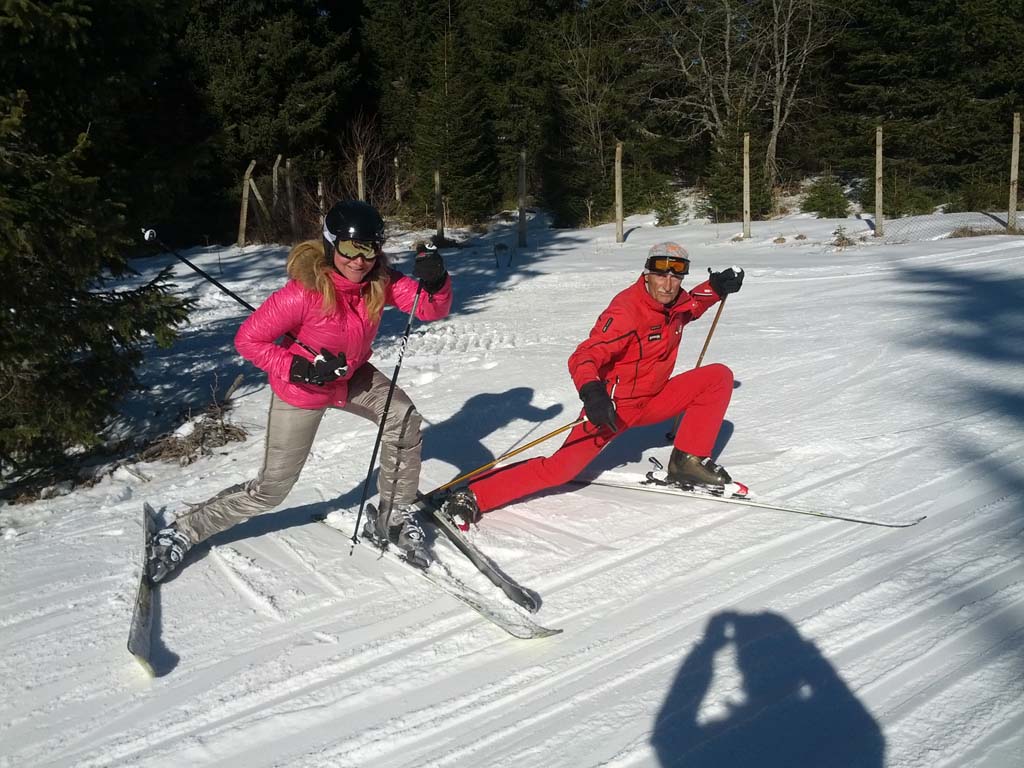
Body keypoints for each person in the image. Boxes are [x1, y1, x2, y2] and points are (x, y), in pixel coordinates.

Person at [147, 200, 452, 581]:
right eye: (349, 249)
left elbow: (428, 309)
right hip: (301, 391)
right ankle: (185, 529)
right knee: (271, 489)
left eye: (369, 249)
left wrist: (436, 281)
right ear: (330, 246)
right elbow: (248, 340)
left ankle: (393, 517)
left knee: (403, 418)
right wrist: (297, 367)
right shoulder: (302, 293)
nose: (359, 261)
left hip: (351, 377)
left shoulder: (379, 281)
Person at [443, 242, 743, 526]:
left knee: (717, 377)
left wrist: (714, 289)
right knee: (560, 470)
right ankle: (473, 495)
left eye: (675, 277)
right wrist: (594, 394)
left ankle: (687, 462)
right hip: (614, 409)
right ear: (646, 274)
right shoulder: (627, 311)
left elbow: (689, 308)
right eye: (660, 276)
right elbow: (584, 355)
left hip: (654, 399)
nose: (667, 284)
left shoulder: (674, 302)